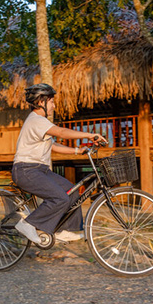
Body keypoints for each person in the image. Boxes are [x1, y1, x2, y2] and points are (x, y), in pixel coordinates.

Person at [11, 83, 107, 245]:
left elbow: (53, 145)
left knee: (72, 191)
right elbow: (61, 132)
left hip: (40, 170)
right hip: (26, 170)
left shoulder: (39, 123)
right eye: (51, 102)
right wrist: (90, 135)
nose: (54, 106)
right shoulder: (36, 120)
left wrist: (78, 151)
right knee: (59, 198)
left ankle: (65, 231)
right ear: (41, 102)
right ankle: (28, 224)